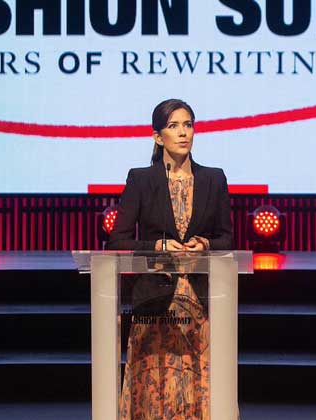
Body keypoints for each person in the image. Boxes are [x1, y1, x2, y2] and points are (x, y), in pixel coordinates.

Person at [107, 98, 234, 420]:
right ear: (157, 136)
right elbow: (117, 240)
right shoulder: (141, 179)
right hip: (154, 302)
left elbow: (227, 238)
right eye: (173, 126)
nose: (183, 133)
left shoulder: (213, 179)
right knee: (155, 388)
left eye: (188, 125)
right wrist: (157, 245)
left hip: (199, 302)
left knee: (196, 386)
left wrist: (205, 243)